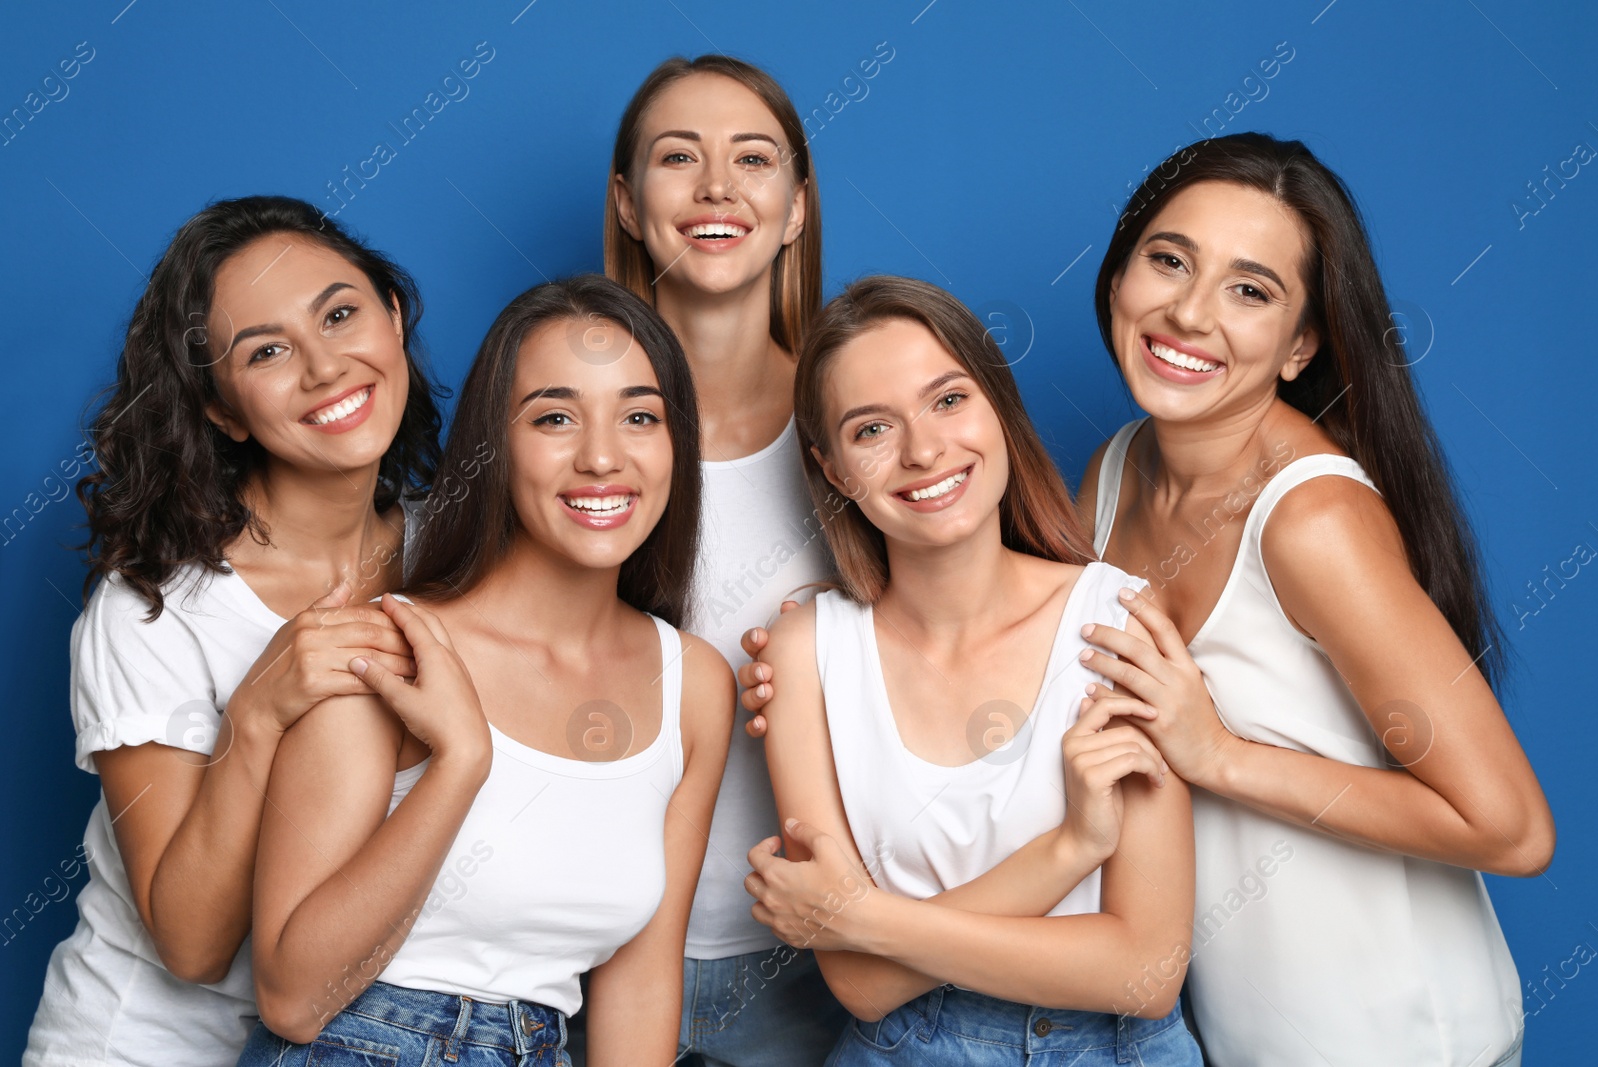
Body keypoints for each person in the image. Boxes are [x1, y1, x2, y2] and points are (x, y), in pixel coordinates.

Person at [1074, 132, 1553, 1065]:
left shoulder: (1311, 520)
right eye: (1168, 260)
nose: (1188, 312)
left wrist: (1217, 753)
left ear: (1301, 345)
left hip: (1398, 1039)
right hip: (1233, 1035)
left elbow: (1512, 827)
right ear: (1119, 272)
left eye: (1249, 290)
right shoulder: (1113, 471)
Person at [238, 275, 734, 1067]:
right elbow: (292, 998)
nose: (603, 456)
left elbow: (638, 985)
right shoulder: (388, 648)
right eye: (555, 418)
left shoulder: (695, 685)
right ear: (493, 447)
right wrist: (461, 764)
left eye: (640, 416)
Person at [24, 196, 443, 1067]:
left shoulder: (464, 552)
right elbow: (191, 944)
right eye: (267, 351)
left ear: (393, 316)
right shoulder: (151, 609)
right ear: (220, 408)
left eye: (340, 313)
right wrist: (255, 715)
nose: (326, 366)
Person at [743, 276, 1202, 1065]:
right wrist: (1072, 847)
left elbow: (1146, 973)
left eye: (949, 400)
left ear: (998, 406)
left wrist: (866, 919)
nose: (923, 450)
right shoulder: (803, 653)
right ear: (832, 470)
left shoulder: (1117, 623)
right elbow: (860, 984)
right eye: (871, 428)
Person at [603, 54, 846, 1063]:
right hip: (594, 945)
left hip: (815, 960)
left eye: (752, 158)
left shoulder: (870, 427)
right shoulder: (566, 433)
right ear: (626, 202)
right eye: (677, 158)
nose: (715, 187)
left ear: (795, 206)